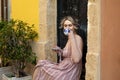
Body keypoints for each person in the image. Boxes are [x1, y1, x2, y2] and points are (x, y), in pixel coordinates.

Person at [32, 16, 83, 80]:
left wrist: (71, 36)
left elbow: (77, 59)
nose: (67, 28)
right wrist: (60, 51)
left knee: (41, 67)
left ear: (74, 27)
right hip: (63, 67)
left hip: (70, 70)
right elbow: (68, 54)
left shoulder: (77, 38)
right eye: (65, 26)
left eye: (70, 25)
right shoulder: (69, 39)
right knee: (41, 63)